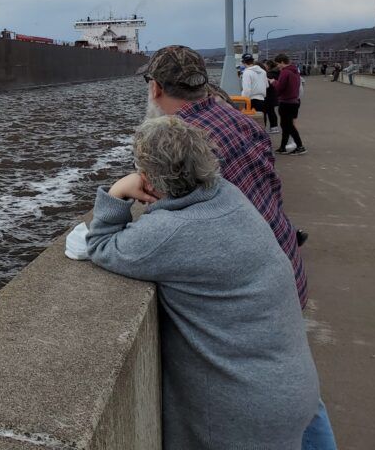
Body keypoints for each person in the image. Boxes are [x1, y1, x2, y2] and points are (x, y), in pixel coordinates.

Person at [87, 116, 320, 450]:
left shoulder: (170, 233)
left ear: (150, 177)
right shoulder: (228, 195)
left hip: (243, 411)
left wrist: (117, 191)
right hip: (289, 385)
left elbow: (100, 246)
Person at [141, 45, 331, 446]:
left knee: (279, 392)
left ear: (156, 88)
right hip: (283, 264)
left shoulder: (184, 143)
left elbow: (174, 220)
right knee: (298, 387)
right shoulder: (234, 116)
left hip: (249, 287)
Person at [273, 53, 306, 156]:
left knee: (288, 126)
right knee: (286, 125)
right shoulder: (295, 72)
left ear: (282, 62)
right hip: (294, 102)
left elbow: (279, 88)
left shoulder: (285, 72)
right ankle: (283, 147)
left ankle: (300, 146)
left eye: (278, 64)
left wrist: (273, 82)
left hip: (286, 102)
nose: (277, 66)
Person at [240, 54, 274, 131]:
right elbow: (267, 85)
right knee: (261, 121)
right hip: (262, 99)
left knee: (251, 123)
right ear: (253, 61)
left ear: (243, 62)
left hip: (251, 101)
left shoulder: (247, 73)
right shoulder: (263, 72)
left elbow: (247, 90)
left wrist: (243, 99)